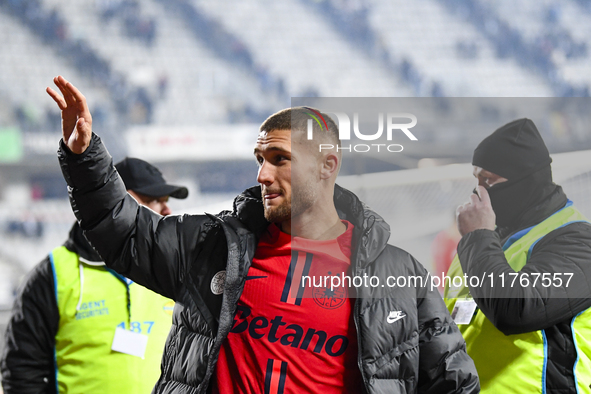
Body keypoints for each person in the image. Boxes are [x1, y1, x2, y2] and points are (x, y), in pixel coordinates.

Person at [47, 75, 479, 393]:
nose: (262, 174)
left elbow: (453, 382)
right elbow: (127, 233)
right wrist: (85, 157)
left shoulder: (398, 274)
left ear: (328, 166)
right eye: (260, 158)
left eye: (279, 158)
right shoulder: (213, 246)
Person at [0, 154, 189, 394]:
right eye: (156, 200)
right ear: (124, 202)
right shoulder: (53, 274)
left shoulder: (174, 268)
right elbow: (22, 373)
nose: (167, 209)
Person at [444, 118, 591, 393]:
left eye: (487, 180)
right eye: (476, 179)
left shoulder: (577, 242)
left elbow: (515, 310)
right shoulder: (483, 240)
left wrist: (477, 236)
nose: (479, 192)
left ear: (527, 180)